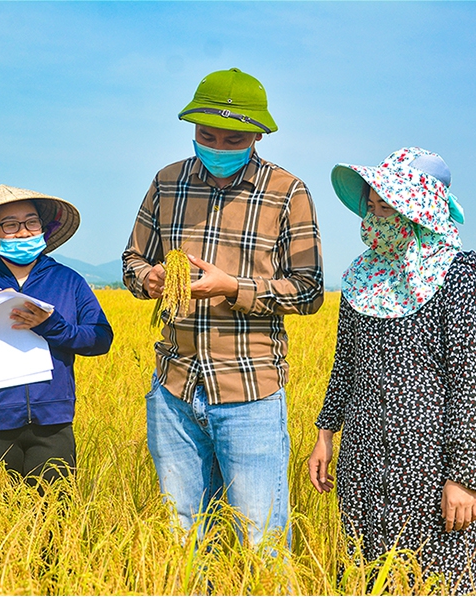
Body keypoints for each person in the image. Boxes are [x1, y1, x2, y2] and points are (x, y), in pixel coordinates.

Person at [120, 68, 324, 552]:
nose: (216, 147)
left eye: (233, 139)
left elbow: (309, 290)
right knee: (183, 535)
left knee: (261, 540)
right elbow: (132, 260)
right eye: (206, 136)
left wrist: (232, 287)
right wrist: (149, 279)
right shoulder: (167, 183)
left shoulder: (287, 192)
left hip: (250, 390)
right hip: (174, 386)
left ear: (257, 136)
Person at [307, 147, 476, 594]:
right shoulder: (361, 278)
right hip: (363, 463)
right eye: (371, 206)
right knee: (366, 577)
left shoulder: (458, 278)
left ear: (418, 211)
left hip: (430, 470)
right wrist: (325, 435)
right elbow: (345, 366)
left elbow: (469, 386)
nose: (373, 217)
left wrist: (464, 478)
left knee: (436, 580)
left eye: (385, 207)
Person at [0, 184, 113, 489]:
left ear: (43, 228)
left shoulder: (68, 281)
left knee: (55, 511)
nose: (23, 232)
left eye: (31, 222)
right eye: (10, 225)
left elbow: (100, 338)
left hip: (52, 422)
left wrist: (52, 325)